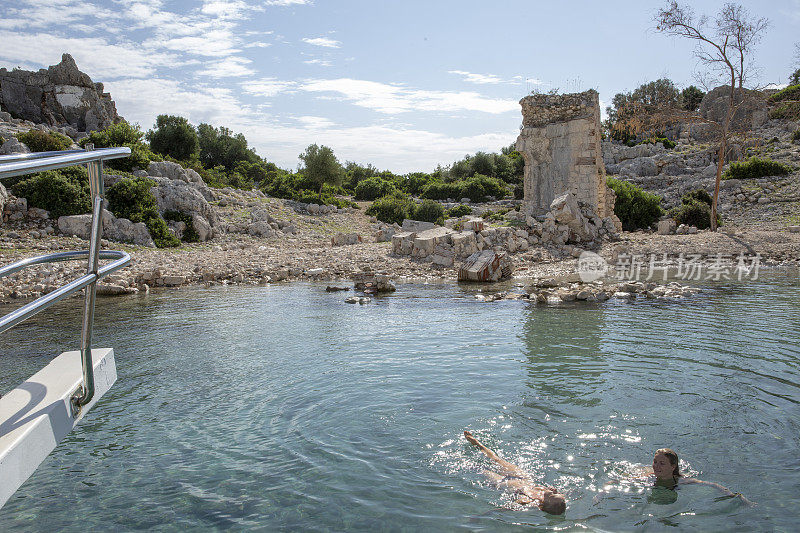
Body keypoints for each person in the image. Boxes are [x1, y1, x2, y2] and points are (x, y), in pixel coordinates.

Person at [464, 431, 566, 515]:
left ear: (546, 503)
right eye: (558, 493)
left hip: (503, 483)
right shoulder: (547, 493)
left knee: (481, 469)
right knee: (497, 459)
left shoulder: (527, 501)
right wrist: (552, 492)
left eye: (553, 494)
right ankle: (476, 443)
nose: (555, 491)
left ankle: (463, 460)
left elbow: (504, 509)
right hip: (523, 478)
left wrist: (481, 516)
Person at [648, 448, 754, 505]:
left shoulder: (682, 481)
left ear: (673, 467)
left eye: (662, 463)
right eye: (655, 462)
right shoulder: (647, 477)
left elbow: (713, 485)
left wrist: (735, 496)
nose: (656, 467)